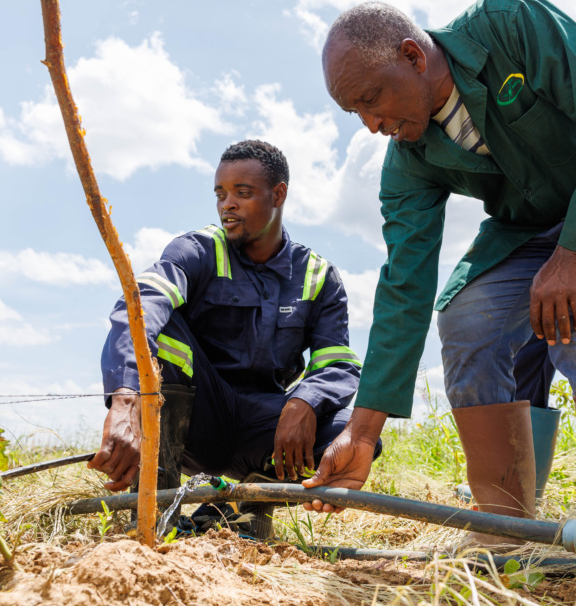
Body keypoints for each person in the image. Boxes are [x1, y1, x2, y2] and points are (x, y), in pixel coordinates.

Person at [304, 0, 576, 544]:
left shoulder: (510, 26)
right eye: (357, 113)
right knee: (465, 317)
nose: (372, 124)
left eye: (372, 99)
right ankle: (503, 524)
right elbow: (404, 289)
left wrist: (571, 256)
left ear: (414, 57)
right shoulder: (409, 160)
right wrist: (361, 433)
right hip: (531, 222)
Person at [91, 140, 370, 534]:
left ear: (279, 194)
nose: (228, 205)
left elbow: (338, 363)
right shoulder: (197, 250)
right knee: (159, 323)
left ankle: (247, 505)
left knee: (355, 433)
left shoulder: (318, 276)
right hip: (194, 423)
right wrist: (125, 397)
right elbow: (138, 307)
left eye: (243, 193)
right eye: (221, 194)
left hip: (265, 429)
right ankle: (156, 510)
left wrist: (305, 402)